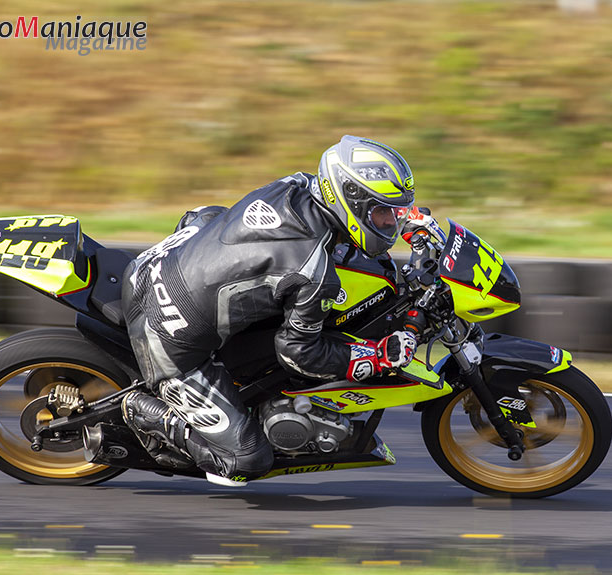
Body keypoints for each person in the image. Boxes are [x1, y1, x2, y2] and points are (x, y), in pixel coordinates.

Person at [120, 135, 425, 486]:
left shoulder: (298, 184)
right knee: (247, 460)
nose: (391, 222)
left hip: (158, 260)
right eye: (384, 213)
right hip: (166, 328)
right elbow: (298, 353)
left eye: (396, 213)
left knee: (212, 215)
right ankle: (149, 414)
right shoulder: (313, 272)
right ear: (351, 201)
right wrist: (376, 356)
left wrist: (409, 222)